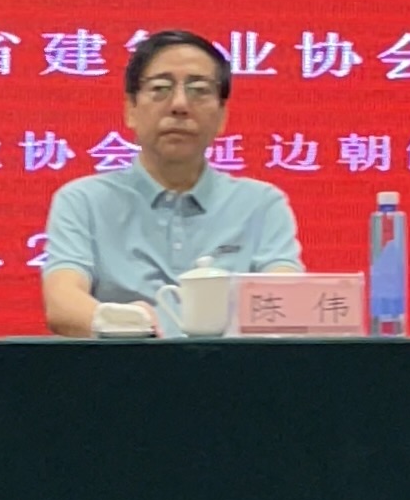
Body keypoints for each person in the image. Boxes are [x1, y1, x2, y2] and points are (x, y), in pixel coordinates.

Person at [35, 29, 303, 333]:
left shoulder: (261, 204)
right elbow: (62, 304)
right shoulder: (84, 201)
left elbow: (287, 300)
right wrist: (131, 326)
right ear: (131, 110)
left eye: (199, 90)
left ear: (222, 116)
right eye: (160, 88)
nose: (179, 105)